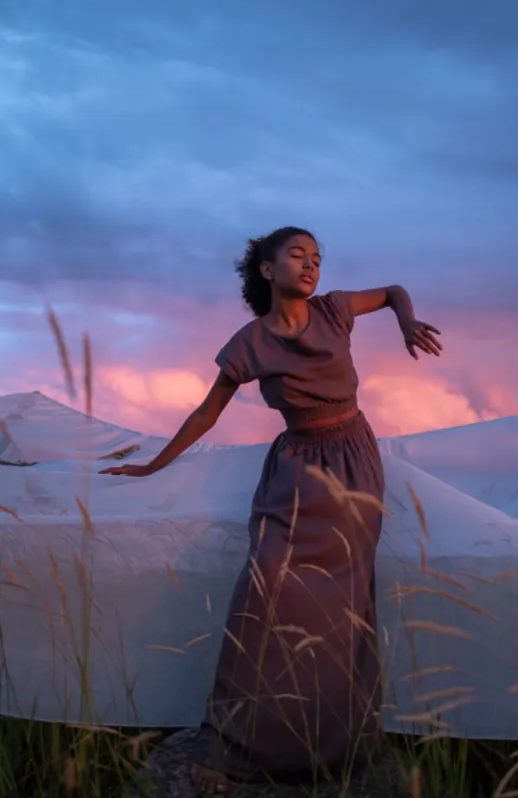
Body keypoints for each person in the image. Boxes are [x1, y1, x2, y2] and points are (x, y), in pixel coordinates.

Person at [100, 227, 442, 794]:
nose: (310, 266)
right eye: (296, 256)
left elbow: (392, 291)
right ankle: (238, 744)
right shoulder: (249, 343)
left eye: (317, 258)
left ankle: (335, 741)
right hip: (294, 469)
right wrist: (151, 465)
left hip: (353, 462)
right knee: (264, 591)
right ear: (266, 268)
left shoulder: (334, 311)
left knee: (344, 603)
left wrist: (406, 321)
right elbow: (207, 413)